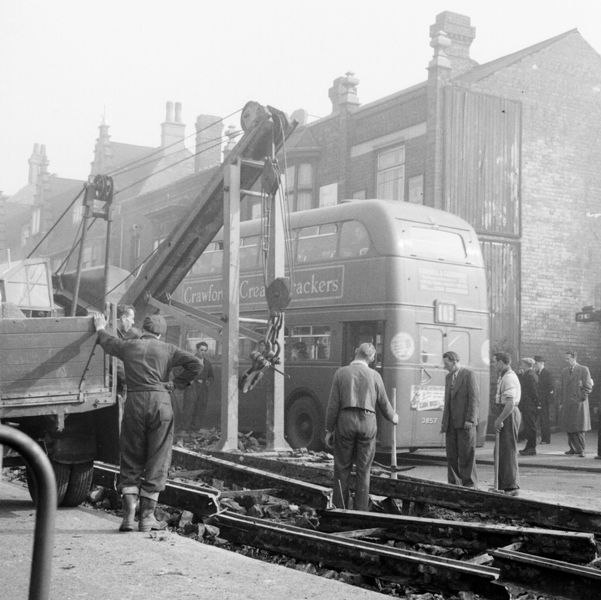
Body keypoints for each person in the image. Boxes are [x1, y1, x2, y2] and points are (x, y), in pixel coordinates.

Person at [93, 312, 201, 532]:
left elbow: (108, 342)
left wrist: (100, 327)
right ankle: (147, 517)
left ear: (143, 330)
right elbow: (196, 364)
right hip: (160, 402)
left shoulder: (129, 346)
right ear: (160, 334)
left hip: (134, 402)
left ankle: (128, 518)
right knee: (158, 457)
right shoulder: (168, 349)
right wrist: (175, 384)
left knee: (131, 456)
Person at [325, 342, 398, 511]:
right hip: (368, 422)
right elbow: (384, 403)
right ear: (371, 358)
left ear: (355, 352)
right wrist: (393, 417)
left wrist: (329, 430)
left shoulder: (341, 373)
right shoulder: (375, 375)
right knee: (364, 470)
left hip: (345, 422)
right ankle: (361, 510)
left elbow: (333, 405)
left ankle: (340, 507)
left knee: (342, 468)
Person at [440, 351, 479, 488]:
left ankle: (469, 484)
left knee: (467, 454)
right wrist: (445, 421)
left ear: (454, 361)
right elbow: (448, 401)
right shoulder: (448, 377)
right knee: (451, 455)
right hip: (451, 423)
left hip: (465, 422)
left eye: (446, 363)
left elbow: (473, 398)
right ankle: (454, 483)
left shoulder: (469, 375)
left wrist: (470, 419)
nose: (445, 366)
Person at [173, 341, 215, 441]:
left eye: (205, 350)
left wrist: (208, 381)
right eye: (201, 350)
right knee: (189, 407)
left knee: (200, 408)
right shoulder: (189, 360)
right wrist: (186, 380)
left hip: (203, 388)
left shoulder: (207, 363)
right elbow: (176, 370)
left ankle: (195, 430)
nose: (203, 352)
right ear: (197, 350)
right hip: (191, 387)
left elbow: (211, 376)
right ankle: (184, 429)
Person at [493, 352, 521, 496]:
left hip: (508, 414)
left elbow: (509, 403)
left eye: (495, 362)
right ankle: (503, 485)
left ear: (502, 362)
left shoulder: (509, 377)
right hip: (505, 412)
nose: (494, 365)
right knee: (501, 450)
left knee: (508, 449)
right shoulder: (503, 376)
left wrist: (500, 419)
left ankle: (511, 487)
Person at [560, 351, 593, 457]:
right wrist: (562, 401)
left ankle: (581, 449)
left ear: (574, 358)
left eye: (568, 359)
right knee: (569, 426)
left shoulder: (583, 369)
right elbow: (562, 387)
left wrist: (581, 398)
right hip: (567, 403)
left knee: (579, 427)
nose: (566, 361)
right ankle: (572, 448)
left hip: (578, 403)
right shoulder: (564, 371)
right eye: (565, 359)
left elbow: (588, 386)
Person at [517, 358, 540, 456]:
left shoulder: (530, 375)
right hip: (528, 404)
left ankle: (531, 448)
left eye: (522, 364)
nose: (521, 365)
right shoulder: (528, 374)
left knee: (531, 427)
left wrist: (536, 403)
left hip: (529, 405)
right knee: (528, 426)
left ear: (526, 365)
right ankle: (529, 447)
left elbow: (533, 391)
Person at [534, 355, 554, 445]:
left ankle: (546, 439)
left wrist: (545, 401)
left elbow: (550, 387)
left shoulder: (547, 373)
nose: (535, 365)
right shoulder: (537, 373)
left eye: (536, 363)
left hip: (544, 401)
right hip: (538, 400)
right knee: (538, 419)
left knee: (544, 420)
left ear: (542, 363)